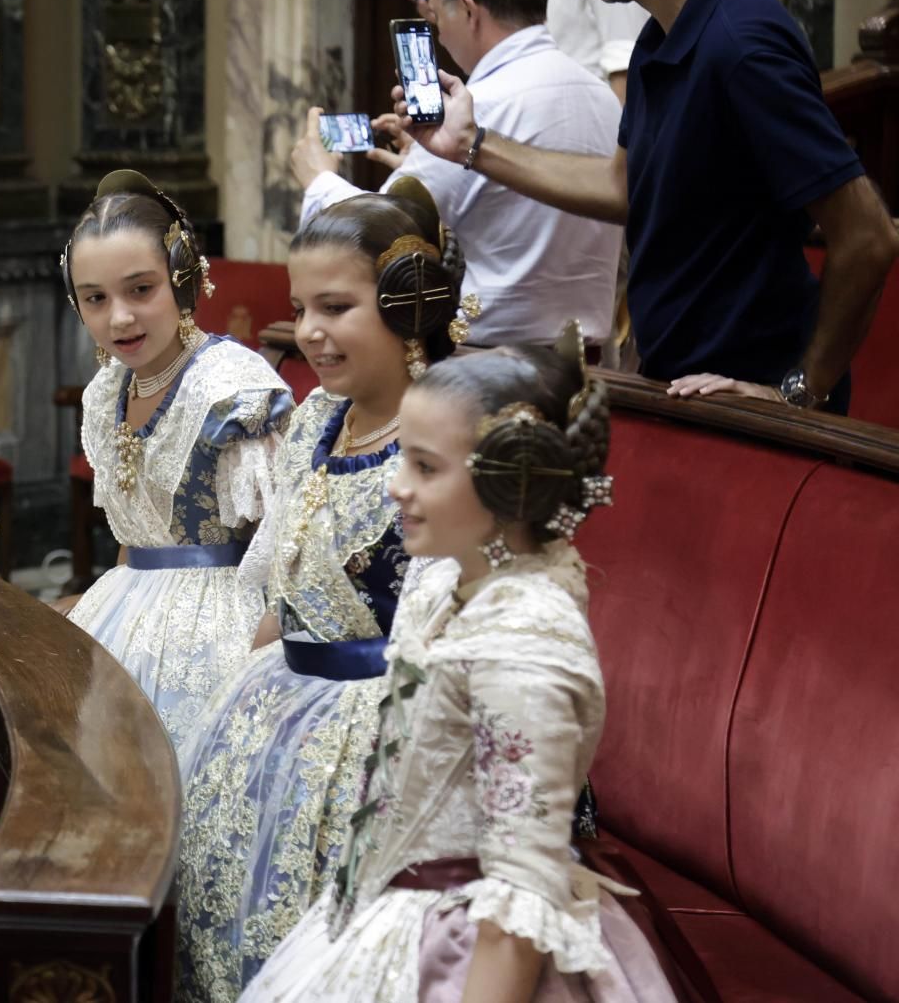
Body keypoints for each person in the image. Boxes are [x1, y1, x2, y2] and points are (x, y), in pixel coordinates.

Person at [241, 327, 678, 1002]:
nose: (395, 487)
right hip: (402, 910)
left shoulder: (525, 643)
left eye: (424, 466)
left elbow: (521, 889)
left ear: (512, 480)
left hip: (475, 944)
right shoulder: (446, 579)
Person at [176, 181, 477, 1002]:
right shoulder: (314, 420)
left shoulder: (442, 441)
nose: (310, 331)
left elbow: (461, 617)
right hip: (288, 695)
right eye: (300, 306)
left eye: (337, 307)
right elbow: (285, 566)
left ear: (409, 308)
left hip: (393, 725)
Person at [388, 0, 899, 412]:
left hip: (747, 399)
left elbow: (868, 236)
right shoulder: (660, 35)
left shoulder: (742, 41)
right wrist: (471, 144)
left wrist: (799, 394)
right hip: (681, 382)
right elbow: (624, 184)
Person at [55, 170, 293, 744]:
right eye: (96, 298)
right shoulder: (106, 392)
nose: (119, 318)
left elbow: (285, 541)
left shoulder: (230, 388)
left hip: (218, 631)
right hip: (123, 605)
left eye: (141, 290)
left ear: (182, 280)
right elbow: (130, 535)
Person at [294, 0, 623, 351]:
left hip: (488, 367)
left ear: (468, 11)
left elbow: (376, 238)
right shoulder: (604, 98)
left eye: (437, 14)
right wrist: (420, 168)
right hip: (590, 366)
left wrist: (319, 178)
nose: (437, 30)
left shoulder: (482, 106)